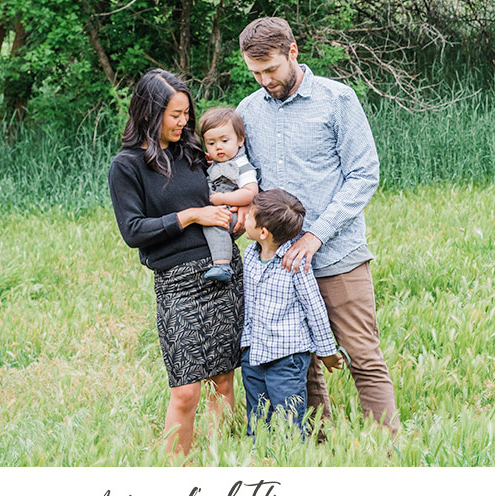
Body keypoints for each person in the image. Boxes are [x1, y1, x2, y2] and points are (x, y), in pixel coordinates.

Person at [235, 17, 401, 436]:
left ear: (293, 53)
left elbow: (364, 174)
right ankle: (319, 449)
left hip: (337, 255)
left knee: (363, 356)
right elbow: (243, 177)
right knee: (299, 363)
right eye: (255, 73)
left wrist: (315, 234)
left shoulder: (336, 99)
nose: (264, 80)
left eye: (270, 69)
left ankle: (388, 450)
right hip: (279, 267)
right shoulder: (247, 111)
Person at [108, 69, 242, 457]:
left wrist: (236, 220)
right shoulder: (128, 165)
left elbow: (226, 194)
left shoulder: (194, 152)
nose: (185, 123)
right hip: (178, 282)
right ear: (149, 114)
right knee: (186, 390)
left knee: (223, 380)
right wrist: (190, 216)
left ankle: (221, 461)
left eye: (187, 114)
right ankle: (176, 471)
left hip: (225, 272)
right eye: (175, 115)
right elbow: (133, 230)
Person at [240, 189, 339, 436]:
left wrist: (327, 352)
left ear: (263, 232)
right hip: (254, 353)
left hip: (287, 358)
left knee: (289, 420)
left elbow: (314, 308)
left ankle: (293, 461)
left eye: (249, 217)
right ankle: (261, 461)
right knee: (258, 419)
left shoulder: (295, 263)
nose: (243, 220)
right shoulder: (250, 256)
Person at [197, 107, 259, 282]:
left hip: (233, 211)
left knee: (214, 224)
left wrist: (222, 199)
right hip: (221, 208)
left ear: (240, 140)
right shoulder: (215, 162)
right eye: (211, 143)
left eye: (224, 140)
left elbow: (250, 192)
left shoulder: (241, 164)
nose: (219, 147)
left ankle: (222, 265)